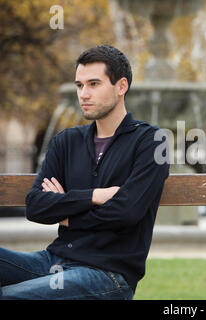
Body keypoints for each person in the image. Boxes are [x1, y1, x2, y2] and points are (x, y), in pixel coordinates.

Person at [0, 45, 170, 299]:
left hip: (107, 274)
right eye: (79, 86)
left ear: (121, 86)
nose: (84, 94)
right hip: (53, 261)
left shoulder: (152, 141)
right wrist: (94, 196)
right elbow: (35, 206)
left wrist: (66, 213)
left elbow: (126, 212)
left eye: (93, 84)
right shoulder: (66, 141)